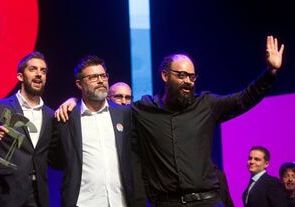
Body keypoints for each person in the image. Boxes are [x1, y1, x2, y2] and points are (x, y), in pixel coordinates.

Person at [56, 36, 285, 207]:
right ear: (165, 75)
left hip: (206, 201)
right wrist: (75, 102)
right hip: (167, 204)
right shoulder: (143, 110)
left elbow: (243, 99)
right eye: (181, 75)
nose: (188, 82)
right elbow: (105, 105)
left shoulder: (206, 105)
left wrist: (270, 73)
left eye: (192, 77)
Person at [0, 52, 54, 207]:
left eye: (43, 71)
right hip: (5, 194)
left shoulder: (50, 115)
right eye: (33, 69)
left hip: (37, 195)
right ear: (20, 76)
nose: (39, 74)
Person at [50, 55, 135, 207]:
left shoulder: (124, 114)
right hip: (83, 202)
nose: (101, 80)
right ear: (79, 84)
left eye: (103, 76)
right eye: (94, 77)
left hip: (120, 202)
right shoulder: (65, 118)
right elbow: (55, 160)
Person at [108, 82, 147, 207]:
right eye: (119, 97)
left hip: (135, 194)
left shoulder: (139, 122)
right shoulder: (100, 122)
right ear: (108, 98)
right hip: (107, 193)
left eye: (128, 97)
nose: (124, 101)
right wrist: (73, 100)